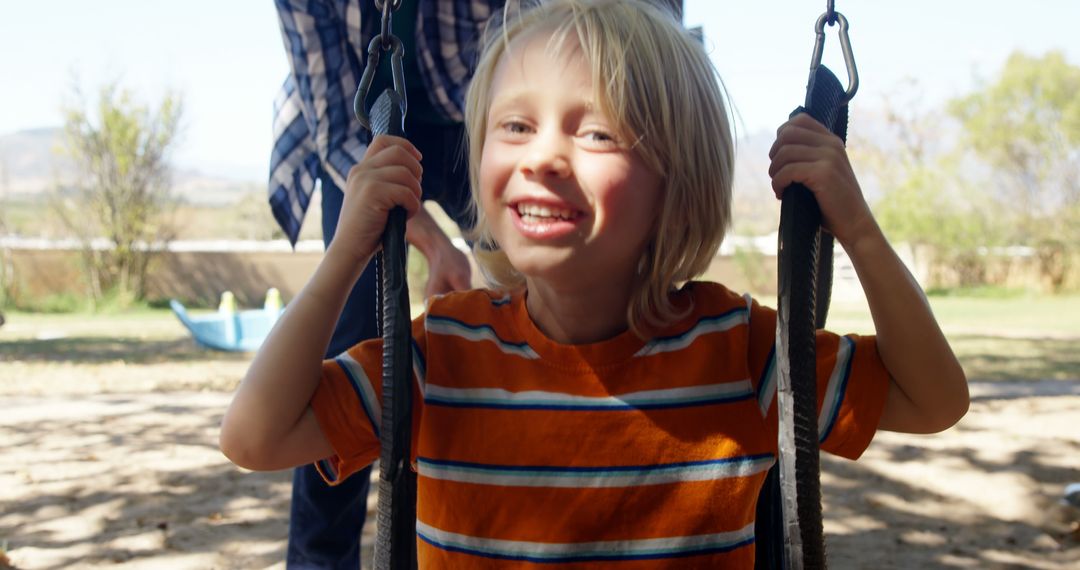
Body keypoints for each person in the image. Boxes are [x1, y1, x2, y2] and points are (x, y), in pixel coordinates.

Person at [230, 0, 969, 566]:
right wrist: (345, 256)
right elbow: (255, 437)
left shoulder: (740, 351)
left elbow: (932, 399)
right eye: (515, 126)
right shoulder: (442, 356)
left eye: (597, 133)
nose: (544, 157)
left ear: (676, 184)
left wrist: (858, 229)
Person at [268, 0, 503, 566]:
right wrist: (433, 241)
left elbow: (541, 56)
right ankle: (319, 559)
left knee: (535, 300)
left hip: (479, 114)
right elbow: (335, 130)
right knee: (347, 336)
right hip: (361, 127)